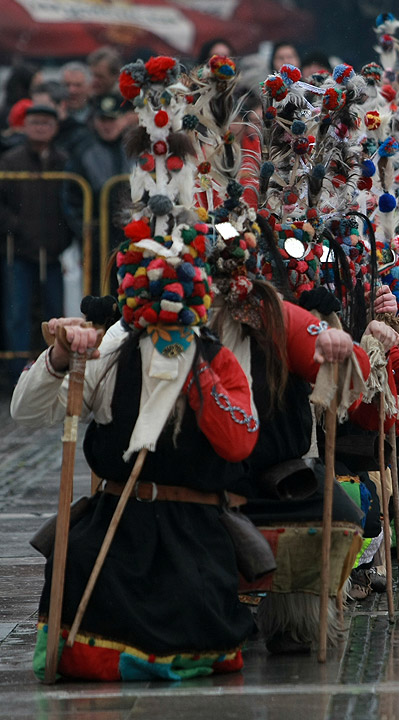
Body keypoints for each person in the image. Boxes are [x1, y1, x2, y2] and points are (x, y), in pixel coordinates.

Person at [10, 223, 263, 681]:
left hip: (190, 529)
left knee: (193, 601)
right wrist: (61, 358)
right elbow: (27, 412)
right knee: (77, 564)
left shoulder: (216, 357)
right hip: (117, 522)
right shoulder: (110, 354)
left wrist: (193, 371)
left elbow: (239, 439)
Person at [0, 104, 72, 382]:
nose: (40, 127)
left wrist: (64, 236)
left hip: (54, 251)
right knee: (17, 313)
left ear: (55, 128)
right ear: (24, 126)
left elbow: (71, 203)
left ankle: (54, 369)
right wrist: (16, 227)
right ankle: (18, 373)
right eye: (35, 122)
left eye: (46, 122)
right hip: (18, 249)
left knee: (55, 314)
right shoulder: (10, 160)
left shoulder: (65, 160)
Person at [63, 93, 135, 295]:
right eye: (103, 120)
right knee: (99, 292)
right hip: (97, 237)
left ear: (123, 119)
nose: (107, 125)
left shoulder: (137, 149)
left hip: (132, 234)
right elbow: (71, 195)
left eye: (112, 119)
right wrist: (84, 230)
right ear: (95, 121)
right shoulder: (84, 151)